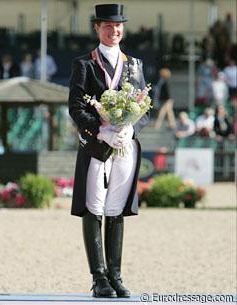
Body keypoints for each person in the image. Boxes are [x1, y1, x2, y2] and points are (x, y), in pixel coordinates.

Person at [68, 4, 149, 298]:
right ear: (97, 28)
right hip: (96, 145)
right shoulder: (85, 64)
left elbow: (144, 107)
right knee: (95, 205)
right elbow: (75, 107)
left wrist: (131, 129)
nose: (113, 31)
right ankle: (98, 277)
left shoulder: (135, 65)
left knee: (116, 208)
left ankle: (116, 275)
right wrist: (100, 129)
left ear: (123, 29)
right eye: (107, 26)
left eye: (117, 27)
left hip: (124, 146)